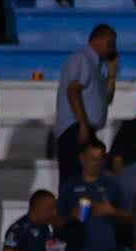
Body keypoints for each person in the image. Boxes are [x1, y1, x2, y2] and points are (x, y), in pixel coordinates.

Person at [57, 136, 130, 251]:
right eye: (92, 159)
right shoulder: (70, 186)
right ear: (82, 158)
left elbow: (130, 217)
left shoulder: (112, 185)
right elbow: (56, 221)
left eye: (100, 159)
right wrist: (71, 216)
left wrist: (113, 212)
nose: (96, 163)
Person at [55, 22, 118, 182]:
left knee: (86, 179)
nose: (113, 49)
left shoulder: (98, 66)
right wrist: (82, 124)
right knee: (72, 178)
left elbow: (108, 99)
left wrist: (111, 75)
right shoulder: (81, 59)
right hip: (75, 128)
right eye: (111, 44)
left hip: (87, 129)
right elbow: (73, 91)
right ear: (101, 40)